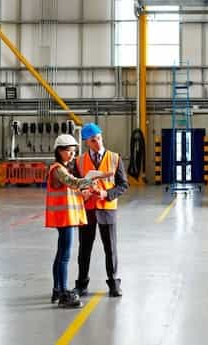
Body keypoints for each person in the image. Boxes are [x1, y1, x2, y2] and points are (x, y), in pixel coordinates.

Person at [45, 134, 112, 308]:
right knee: (64, 256)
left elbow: (71, 190)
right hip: (64, 218)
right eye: (69, 151)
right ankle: (64, 293)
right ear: (59, 151)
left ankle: (57, 290)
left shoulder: (63, 168)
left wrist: (84, 193)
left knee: (61, 255)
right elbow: (73, 183)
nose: (72, 155)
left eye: (74, 152)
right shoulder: (58, 169)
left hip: (66, 217)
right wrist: (96, 177)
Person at [74, 123, 129, 298]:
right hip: (88, 208)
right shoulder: (79, 161)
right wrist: (83, 191)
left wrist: (106, 193)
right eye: (92, 140)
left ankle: (113, 283)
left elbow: (123, 185)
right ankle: (82, 284)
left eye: (98, 138)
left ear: (101, 136)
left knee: (110, 248)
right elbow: (75, 184)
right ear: (86, 142)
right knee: (84, 248)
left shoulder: (114, 158)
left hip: (107, 208)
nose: (97, 142)